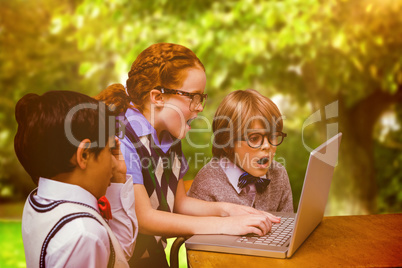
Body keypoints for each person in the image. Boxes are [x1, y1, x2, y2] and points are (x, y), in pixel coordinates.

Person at [96, 43, 279, 267]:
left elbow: (178, 202)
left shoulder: (170, 135)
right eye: (193, 97)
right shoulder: (123, 138)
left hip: (152, 258)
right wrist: (223, 226)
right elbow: (144, 219)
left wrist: (228, 210)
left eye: (201, 97)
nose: (199, 107)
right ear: (157, 97)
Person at [15, 91, 138, 268]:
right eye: (109, 150)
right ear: (84, 155)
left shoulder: (40, 199)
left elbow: (116, 254)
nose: (113, 161)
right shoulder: (83, 234)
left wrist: (118, 176)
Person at [188, 89, 293, 213]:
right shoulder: (206, 184)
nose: (267, 145)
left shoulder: (278, 174)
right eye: (254, 138)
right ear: (227, 144)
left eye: (272, 136)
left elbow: (288, 224)